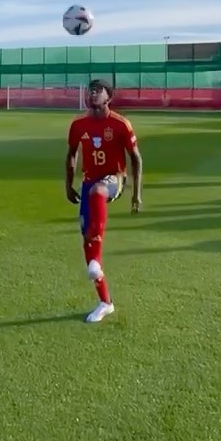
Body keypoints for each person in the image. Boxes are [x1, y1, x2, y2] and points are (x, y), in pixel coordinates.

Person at [65, 79, 143, 323]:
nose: (93, 93)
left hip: (114, 179)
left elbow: (136, 159)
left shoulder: (120, 124)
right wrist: (68, 185)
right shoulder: (78, 124)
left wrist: (136, 194)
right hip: (88, 181)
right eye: (91, 90)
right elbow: (71, 154)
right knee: (87, 240)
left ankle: (96, 261)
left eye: (98, 91)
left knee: (98, 191)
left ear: (109, 97)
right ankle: (105, 302)